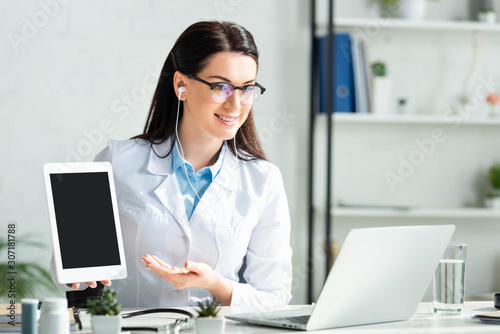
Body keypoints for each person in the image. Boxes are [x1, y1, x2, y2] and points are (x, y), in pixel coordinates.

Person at [56, 20, 292, 307]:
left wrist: (214, 284)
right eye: (221, 87)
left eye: (246, 89)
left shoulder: (263, 180)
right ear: (182, 85)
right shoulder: (118, 160)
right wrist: (76, 273)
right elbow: (72, 265)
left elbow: (274, 298)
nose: (236, 105)